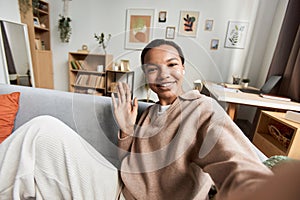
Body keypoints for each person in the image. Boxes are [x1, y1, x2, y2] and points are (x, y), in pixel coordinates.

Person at [0, 39, 275, 200]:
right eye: (152, 69)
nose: (163, 74)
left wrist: (261, 190)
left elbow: (232, 159)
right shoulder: (148, 113)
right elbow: (129, 165)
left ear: (183, 68)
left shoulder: (200, 109)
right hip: (116, 187)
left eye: (171, 65)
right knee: (41, 130)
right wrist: (127, 129)